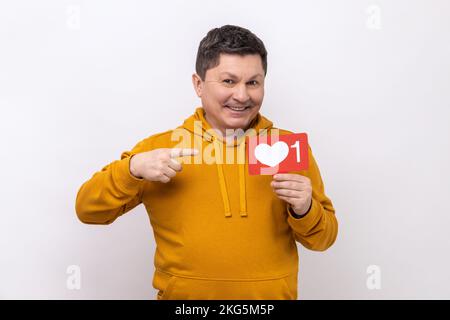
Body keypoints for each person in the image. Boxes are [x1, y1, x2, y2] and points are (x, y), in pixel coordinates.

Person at [75, 25, 338, 300]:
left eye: (253, 82)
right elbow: (88, 210)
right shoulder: (159, 151)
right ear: (198, 84)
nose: (242, 95)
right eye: (228, 81)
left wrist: (304, 208)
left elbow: (323, 240)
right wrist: (132, 170)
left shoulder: (287, 149)